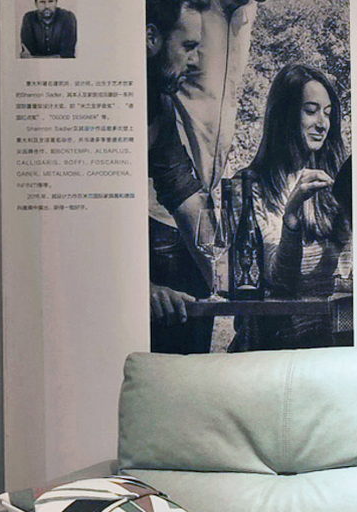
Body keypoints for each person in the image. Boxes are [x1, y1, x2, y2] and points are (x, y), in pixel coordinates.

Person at [147, 0, 263, 353]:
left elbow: (180, 186)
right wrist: (140, 287)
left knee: (190, 356)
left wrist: (229, 277)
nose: (194, 60)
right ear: (150, 39)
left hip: (194, 217)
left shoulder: (160, 109)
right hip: (152, 226)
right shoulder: (183, 11)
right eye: (188, 47)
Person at [232, 64, 353, 350]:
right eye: (311, 111)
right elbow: (278, 282)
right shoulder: (249, 187)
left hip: (338, 339)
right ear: (284, 115)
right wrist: (292, 217)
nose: (322, 124)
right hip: (277, 342)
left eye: (328, 113)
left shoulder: (339, 181)